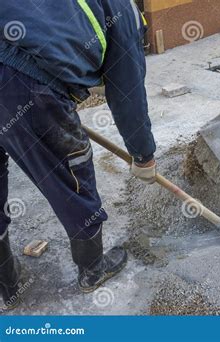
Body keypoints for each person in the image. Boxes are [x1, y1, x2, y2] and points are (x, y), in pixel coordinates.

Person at [0, 0, 157, 309]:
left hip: (17, 71)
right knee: (74, 170)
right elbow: (127, 94)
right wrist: (144, 155)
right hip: (27, 84)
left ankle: (7, 286)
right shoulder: (123, 12)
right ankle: (93, 269)